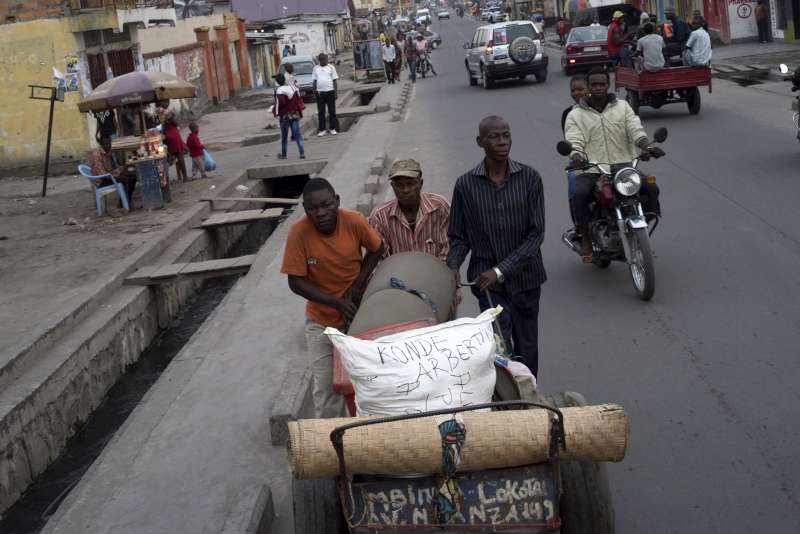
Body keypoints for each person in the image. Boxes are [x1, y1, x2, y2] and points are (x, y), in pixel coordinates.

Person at [447, 116, 546, 377]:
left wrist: (500, 270)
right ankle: (511, 404)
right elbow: (459, 236)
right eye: (494, 137)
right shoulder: (466, 185)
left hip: (526, 280)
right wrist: (453, 267)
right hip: (488, 286)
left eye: (506, 135)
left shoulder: (530, 178)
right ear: (480, 142)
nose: (502, 142)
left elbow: (536, 236)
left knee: (527, 348)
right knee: (500, 348)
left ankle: (529, 399)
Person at [281, 178, 385, 418]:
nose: (320, 213)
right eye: (312, 209)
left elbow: (377, 248)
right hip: (321, 321)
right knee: (327, 388)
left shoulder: (354, 221)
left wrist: (357, 287)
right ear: (305, 209)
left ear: (336, 201)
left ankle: (371, 433)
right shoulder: (298, 232)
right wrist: (336, 302)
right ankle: (333, 445)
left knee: (368, 380)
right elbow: (295, 282)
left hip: (359, 316)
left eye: (326, 205)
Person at [564, 68, 664, 262]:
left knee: (651, 188)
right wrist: (576, 155)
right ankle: (585, 238)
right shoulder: (575, 115)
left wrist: (647, 145)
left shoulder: (623, 107)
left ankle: (644, 224)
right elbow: (574, 139)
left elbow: (635, 128)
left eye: (602, 84)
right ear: (589, 88)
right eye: (594, 85)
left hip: (623, 165)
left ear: (608, 85)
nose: (598, 88)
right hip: (592, 168)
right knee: (578, 194)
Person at [369, 159, 450, 261]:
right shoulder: (379, 217)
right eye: (399, 185)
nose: (405, 190)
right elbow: (379, 258)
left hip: (436, 273)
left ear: (420, 184)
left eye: (411, 184)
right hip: (397, 274)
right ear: (392, 186)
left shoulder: (439, 207)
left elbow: (449, 247)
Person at [561, 76, 590, 224]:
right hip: (582, 159)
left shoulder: (605, 108)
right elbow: (570, 140)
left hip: (609, 157)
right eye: (573, 90)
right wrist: (577, 156)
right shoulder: (569, 114)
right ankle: (580, 229)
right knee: (575, 187)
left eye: (581, 89)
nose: (577, 93)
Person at [86, 136, 136, 208]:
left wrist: (121, 169)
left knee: (133, 178)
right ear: (101, 144)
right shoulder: (97, 155)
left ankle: (124, 202)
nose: (108, 146)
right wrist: (118, 175)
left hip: (107, 177)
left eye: (109, 143)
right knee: (126, 180)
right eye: (106, 144)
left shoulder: (107, 152)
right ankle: (123, 205)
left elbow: (110, 170)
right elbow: (102, 174)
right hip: (101, 181)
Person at [272, 73, 306, 160]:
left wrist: (275, 113)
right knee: (297, 134)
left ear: (278, 82)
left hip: (284, 116)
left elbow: (280, 104)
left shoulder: (279, 90)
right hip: (294, 114)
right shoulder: (293, 87)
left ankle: (284, 154)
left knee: (284, 136)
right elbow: (298, 99)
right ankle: (302, 152)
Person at [312, 53, 339, 137]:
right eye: (323, 59)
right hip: (320, 93)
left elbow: (334, 80)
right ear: (320, 60)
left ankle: (332, 128)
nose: (325, 61)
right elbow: (314, 81)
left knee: (332, 111)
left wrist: (335, 92)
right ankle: (322, 130)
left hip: (330, 91)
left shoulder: (331, 67)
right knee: (321, 112)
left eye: (326, 59)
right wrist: (314, 91)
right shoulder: (315, 68)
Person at [162, 116, 187, 182]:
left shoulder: (163, 121)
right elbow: (176, 123)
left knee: (176, 159)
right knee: (180, 158)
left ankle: (179, 177)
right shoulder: (168, 116)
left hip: (168, 138)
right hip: (174, 138)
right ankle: (185, 178)